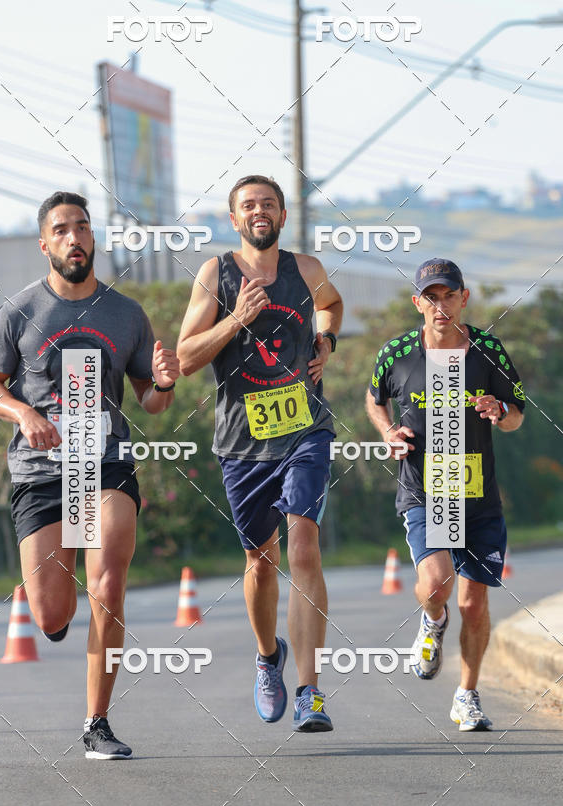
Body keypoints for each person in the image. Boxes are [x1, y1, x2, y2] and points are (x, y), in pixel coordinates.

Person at [0, 191, 179, 759]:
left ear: (94, 239)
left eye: (83, 227)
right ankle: (58, 610)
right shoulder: (20, 311)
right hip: (40, 473)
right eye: (62, 229)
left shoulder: (126, 314)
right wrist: (24, 413)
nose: (74, 237)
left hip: (105, 463)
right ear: (45, 244)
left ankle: (97, 722)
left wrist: (162, 382)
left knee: (109, 583)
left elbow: (151, 401)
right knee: (50, 613)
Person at [177, 175, 343, 731]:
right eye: (248, 205)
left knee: (303, 547)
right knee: (260, 561)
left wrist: (327, 339)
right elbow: (185, 357)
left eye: (268, 203)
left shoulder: (308, 270)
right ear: (234, 219)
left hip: (305, 430)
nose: (259, 212)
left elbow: (332, 305)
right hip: (243, 444)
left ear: (283, 214)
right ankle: (268, 657)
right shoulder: (215, 274)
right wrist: (237, 319)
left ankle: (310, 692)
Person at [366, 258, 525, 731]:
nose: (440, 306)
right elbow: (375, 399)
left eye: (448, 295)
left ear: (464, 298)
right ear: (418, 303)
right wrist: (387, 432)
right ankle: (432, 621)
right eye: (430, 297)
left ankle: (467, 696)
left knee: (474, 603)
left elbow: (518, 414)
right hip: (424, 491)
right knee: (436, 585)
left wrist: (500, 410)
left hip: (477, 496)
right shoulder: (397, 353)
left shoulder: (488, 350)